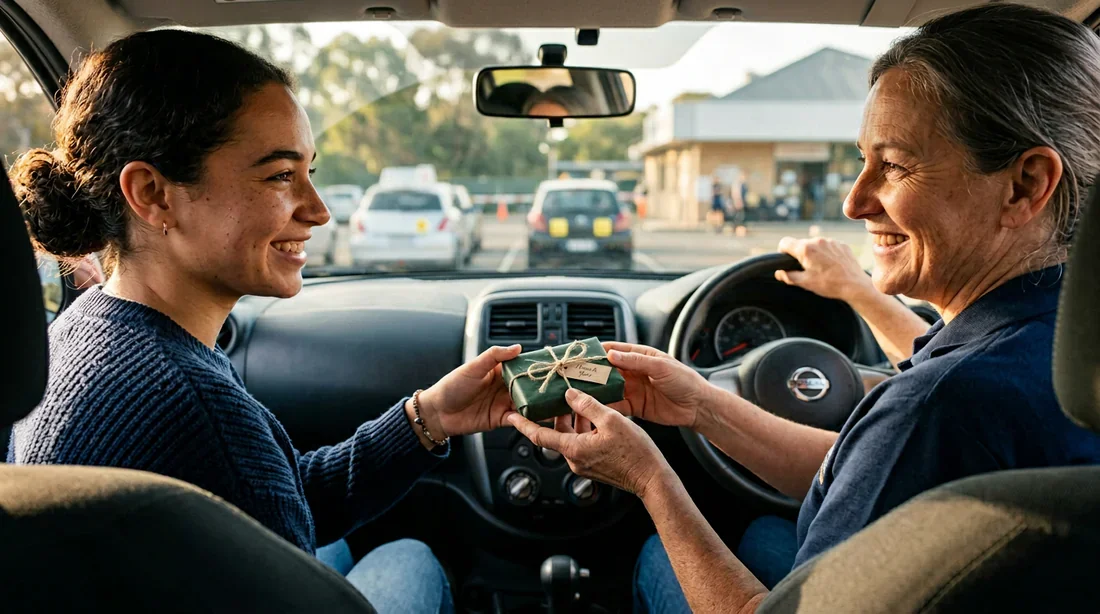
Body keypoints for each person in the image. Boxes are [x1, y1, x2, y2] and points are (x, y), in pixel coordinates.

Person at [507, 5, 1100, 612]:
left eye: (893, 166)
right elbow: (871, 473)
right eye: (862, 161)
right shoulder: (1054, 346)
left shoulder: (941, 407)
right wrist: (702, 403)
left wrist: (651, 481)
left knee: (662, 555)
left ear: (1025, 184)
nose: (854, 201)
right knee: (765, 533)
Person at [8, 30, 524, 613]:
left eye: (308, 172)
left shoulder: (81, 331)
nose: (319, 210)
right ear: (152, 194)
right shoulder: (197, 410)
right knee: (408, 559)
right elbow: (250, 484)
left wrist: (428, 418)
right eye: (281, 176)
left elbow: (270, 496)